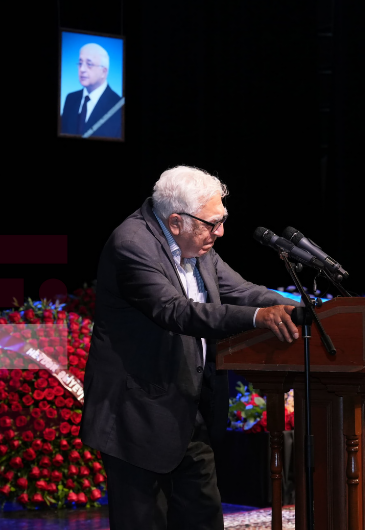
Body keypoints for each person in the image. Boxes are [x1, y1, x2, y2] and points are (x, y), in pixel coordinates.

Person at [80, 166, 300, 529]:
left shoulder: (197, 244)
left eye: (222, 220)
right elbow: (176, 311)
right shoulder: (132, 244)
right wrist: (259, 317)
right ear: (176, 221)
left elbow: (242, 291)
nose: (220, 232)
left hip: (187, 411)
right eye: (212, 223)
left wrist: (306, 311)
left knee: (204, 519)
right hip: (136, 416)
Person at [60, 42, 123, 139]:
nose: (82, 69)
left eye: (89, 64)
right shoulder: (70, 98)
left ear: (104, 71)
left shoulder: (119, 106)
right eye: (80, 63)